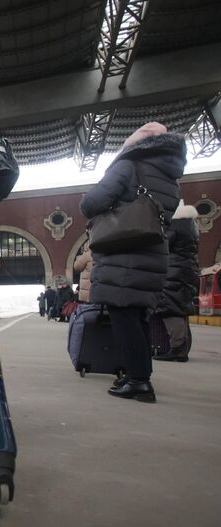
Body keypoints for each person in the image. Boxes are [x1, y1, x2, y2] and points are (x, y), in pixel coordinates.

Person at [80, 122, 184, 402]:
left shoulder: (129, 165)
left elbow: (92, 203)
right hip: (152, 250)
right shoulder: (171, 176)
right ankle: (138, 375)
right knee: (137, 318)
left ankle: (139, 382)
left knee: (124, 316)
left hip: (124, 251)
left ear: (135, 144)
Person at [153, 201, 200, 362]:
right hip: (186, 270)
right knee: (180, 308)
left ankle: (177, 350)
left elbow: (163, 245)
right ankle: (181, 347)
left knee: (171, 308)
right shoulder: (190, 225)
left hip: (174, 271)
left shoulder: (175, 224)